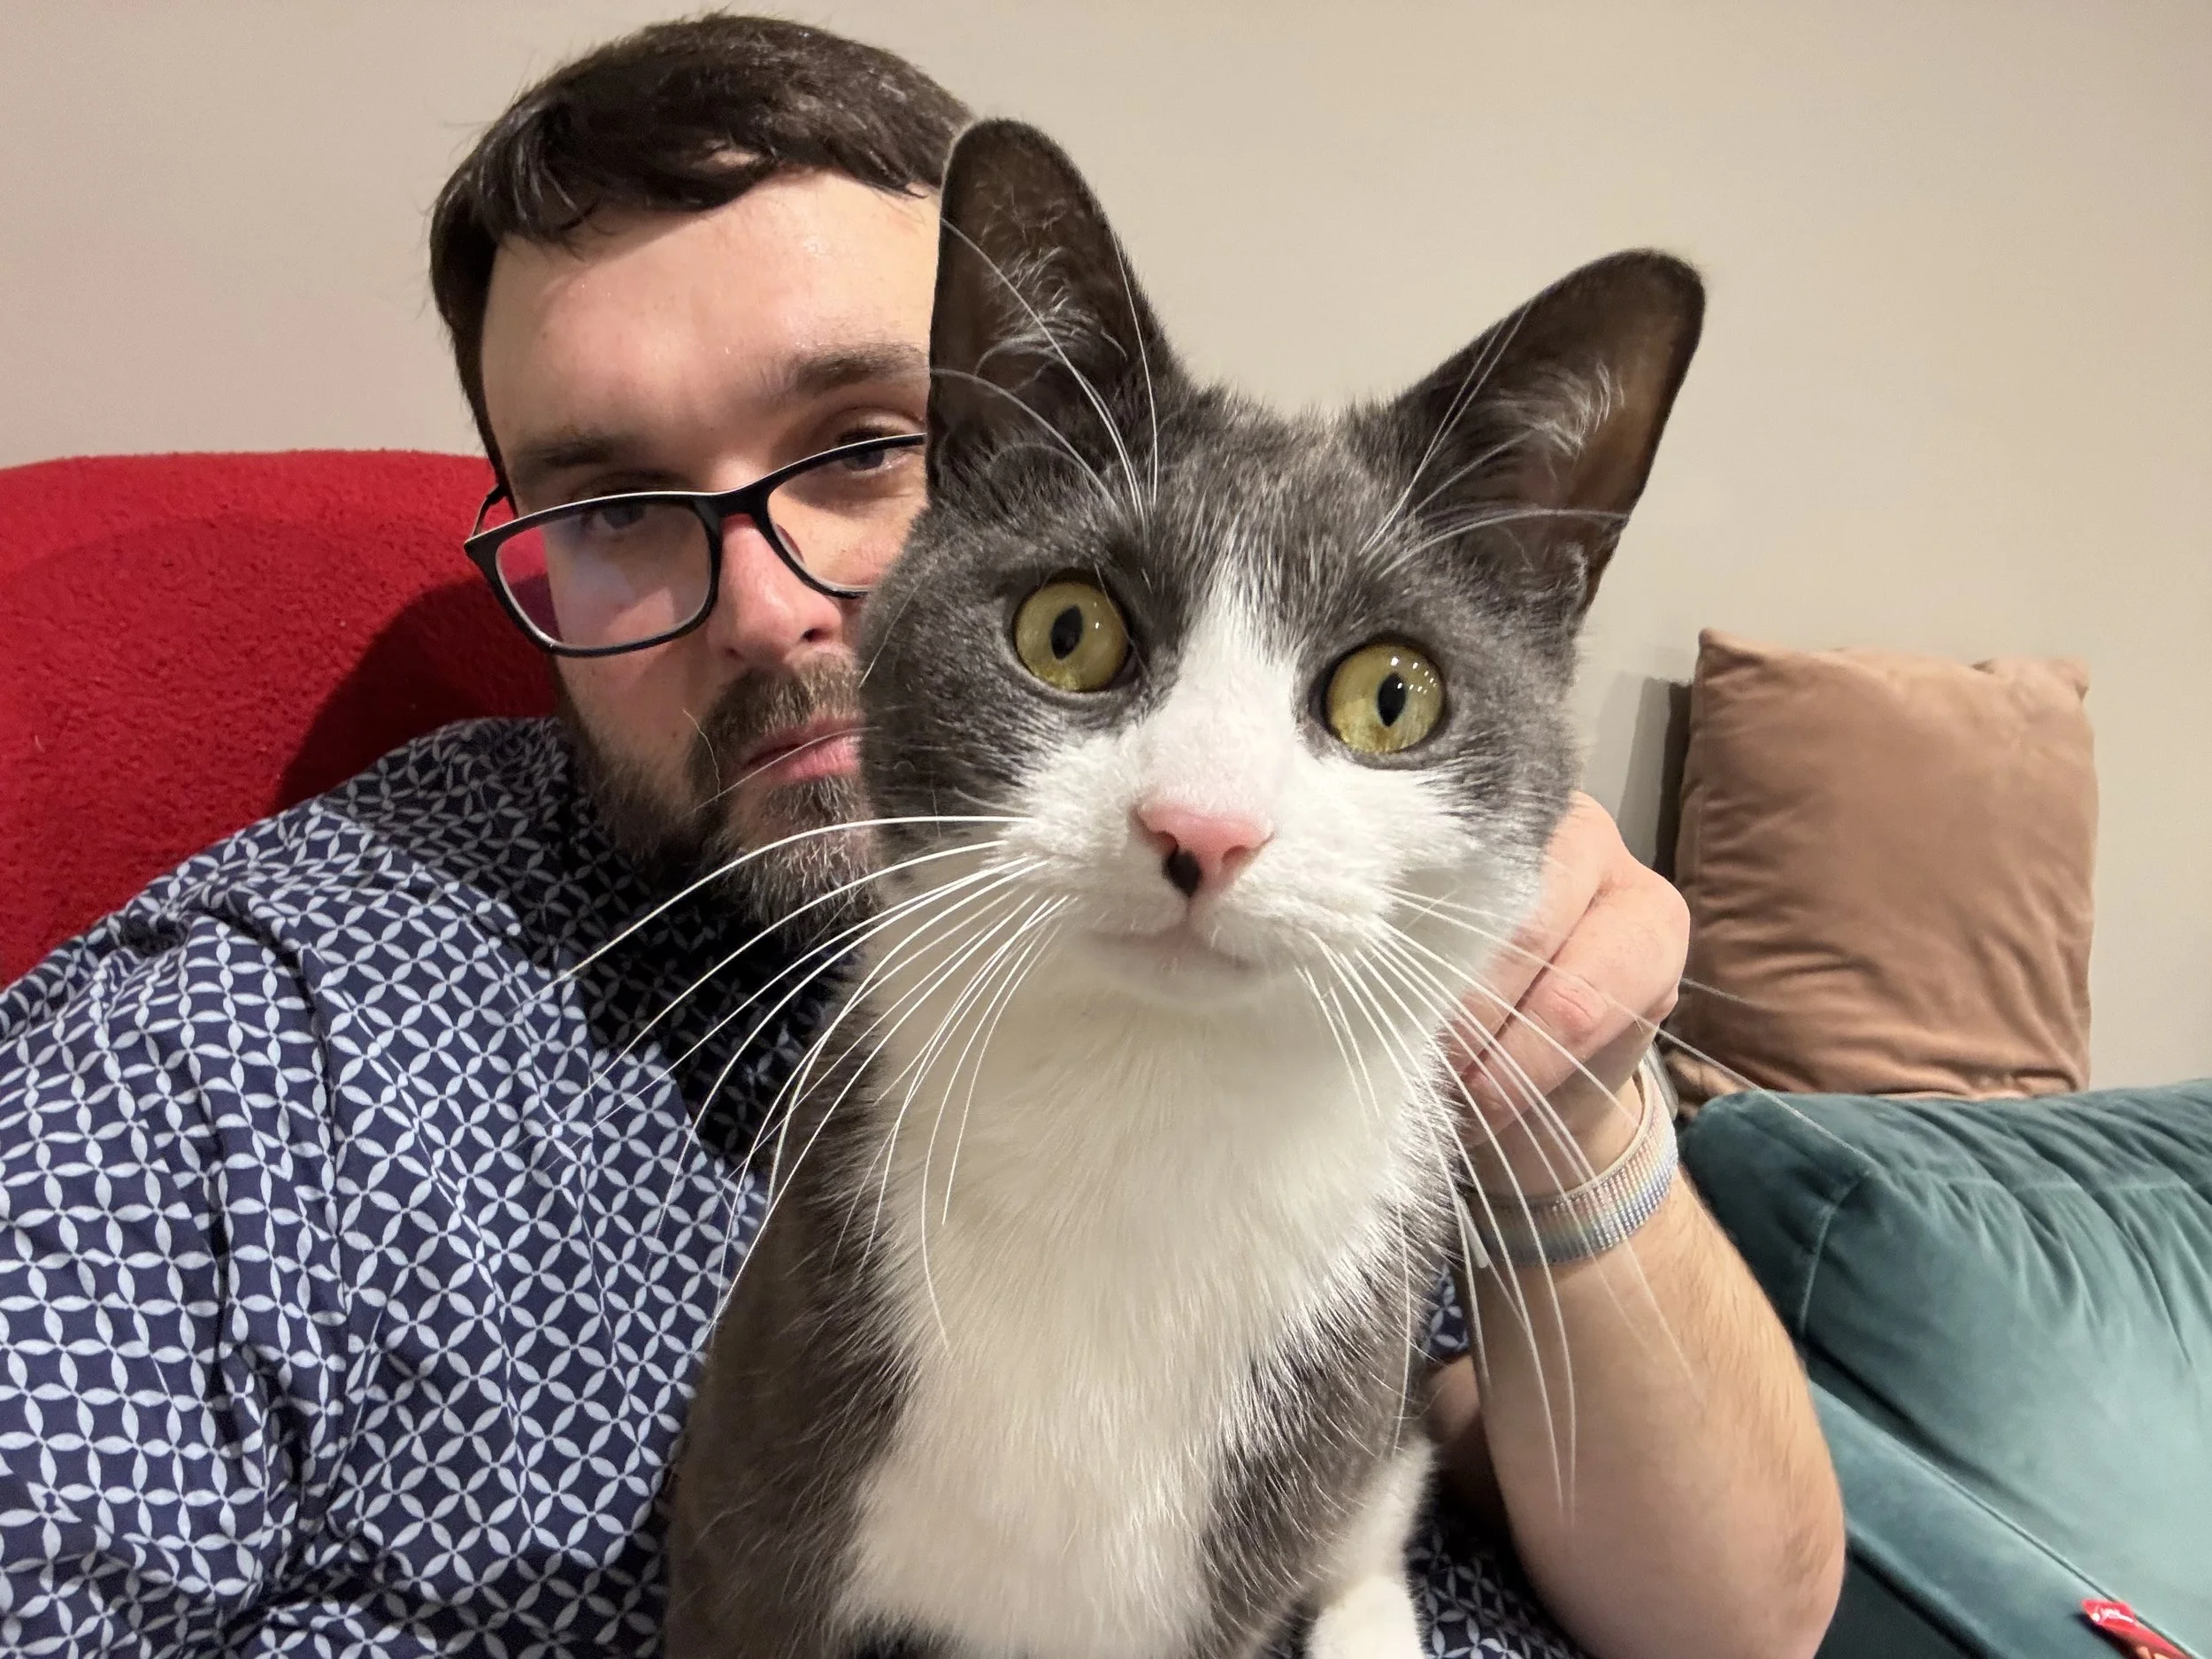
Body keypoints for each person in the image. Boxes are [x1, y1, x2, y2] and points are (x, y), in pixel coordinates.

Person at [0, 16, 1842, 1658]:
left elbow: (1743, 1614)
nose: (767, 608)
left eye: (861, 445)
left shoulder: (1332, 944)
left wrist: (1572, 1121)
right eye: (619, 508)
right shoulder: (265, 1047)